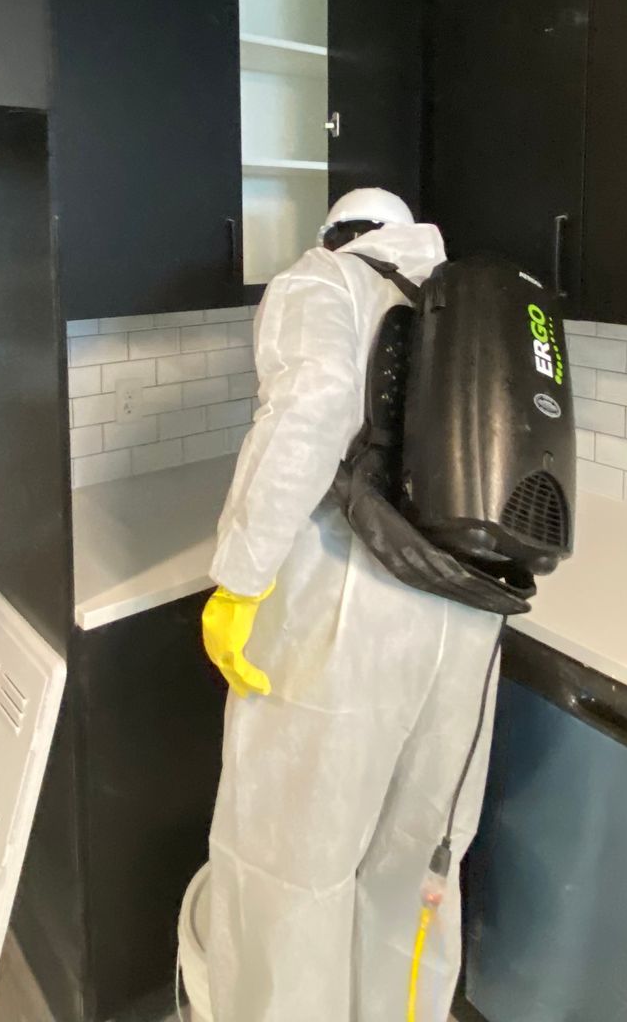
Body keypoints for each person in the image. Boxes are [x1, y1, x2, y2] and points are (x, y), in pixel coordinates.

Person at [200, 188, 505, 1022]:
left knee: (291, 867)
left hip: (352, 617)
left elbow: (311, 410)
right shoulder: (468, 309)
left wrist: (241, 574)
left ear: (335, 233)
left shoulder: (322, 279)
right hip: (465, 618)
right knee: (417, 866)